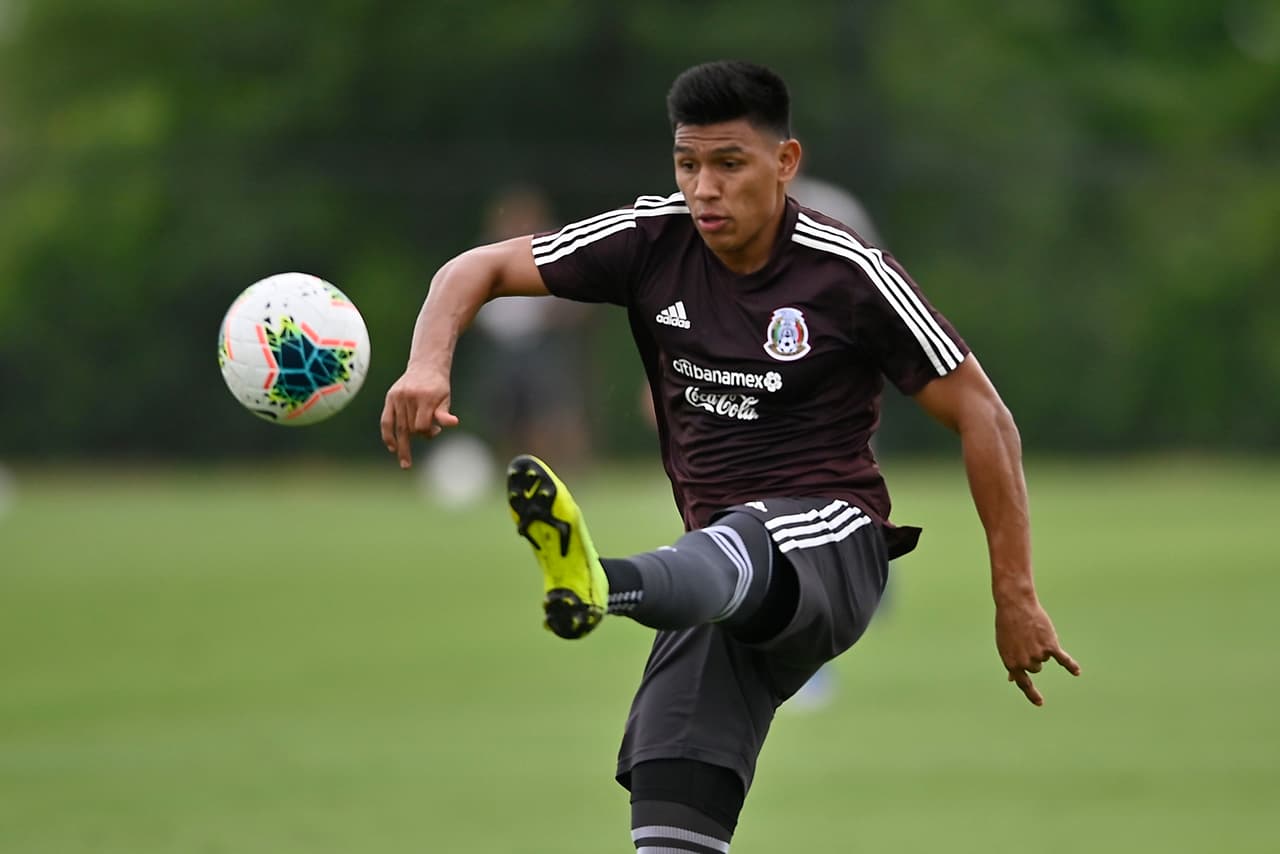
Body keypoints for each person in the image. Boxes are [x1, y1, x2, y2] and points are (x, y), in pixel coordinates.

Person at [381, 60, 1080, 852]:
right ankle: (615, 586)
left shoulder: (845, 270)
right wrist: (427, 363)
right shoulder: (652, 238)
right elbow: (478, 267)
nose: (703, 188)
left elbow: (985, 415)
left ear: (784, 164)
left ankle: (601, 581)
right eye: (688, 165)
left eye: (728, 164)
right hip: (711, 589)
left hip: (832, 548)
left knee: (741, 541)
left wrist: (1014, 594)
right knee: (670, 821)